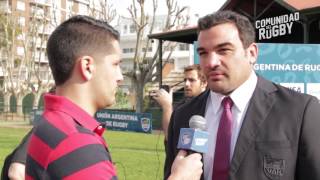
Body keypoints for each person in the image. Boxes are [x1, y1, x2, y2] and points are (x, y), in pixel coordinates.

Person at [0, 15, 202, 180]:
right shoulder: (76, 143)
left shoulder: (50, 122)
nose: (120, 77)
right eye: (115, 64)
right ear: (88, 67)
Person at [164, 10, 320, 180]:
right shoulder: (183, 115)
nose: (211, 62)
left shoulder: (300, 111)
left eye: (223, 50)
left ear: (252, 53)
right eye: (203, 53)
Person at [151, 64, 207, 140]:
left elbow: (170, 138)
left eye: (191, 80)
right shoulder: (182, 107)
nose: (186, 84)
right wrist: (167, 106)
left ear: (204, 83)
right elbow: (171, 139)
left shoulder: (209, 106)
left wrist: (167, 106)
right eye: (185, 80)